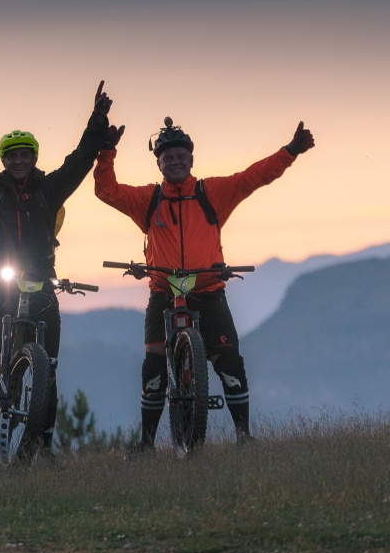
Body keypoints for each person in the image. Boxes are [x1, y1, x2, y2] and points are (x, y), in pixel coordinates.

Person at [94, 117, 316, 450]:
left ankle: (244, 435)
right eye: (167, 157)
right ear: (158, 163)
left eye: (181, 155)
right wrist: (106, 151)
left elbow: (253, 177)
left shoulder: (210, 193)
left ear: (191, 159)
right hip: (163, 294)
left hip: (209, 292)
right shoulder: (149, 200)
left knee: (229, 361)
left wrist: (291, 150)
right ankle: (147, 443)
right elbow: (106, 190)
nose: (175, 161)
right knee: (154, 367)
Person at [0, 76, 113, 451]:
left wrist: (97, 121)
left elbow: (80, 160)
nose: (18, 161)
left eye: (25, 154)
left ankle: (43, 445)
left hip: (41, 290)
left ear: (34, 158)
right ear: (4, 160)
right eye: (11, 155)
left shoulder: (49, 190)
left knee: (46, 371)